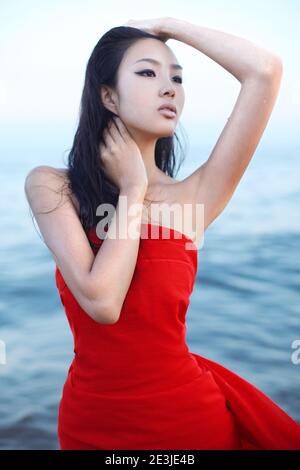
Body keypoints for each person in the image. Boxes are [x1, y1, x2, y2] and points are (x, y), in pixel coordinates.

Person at [24, 17, 300, 450]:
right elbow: (102, 301)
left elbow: (263, 69)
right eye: (148, 72)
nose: (170, 87)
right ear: (108, 95)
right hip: (90, 421)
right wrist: (134, 189)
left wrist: (166, 24)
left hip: (187, 418)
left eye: (177, 77)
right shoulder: (52, 186)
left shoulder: (196, 196)